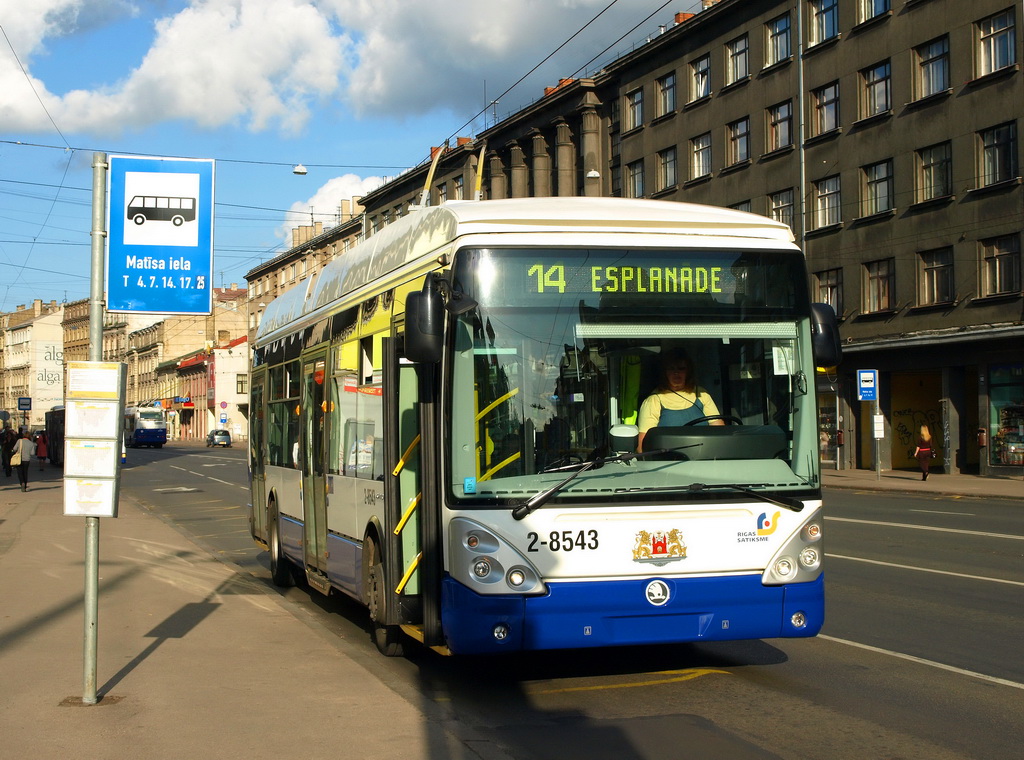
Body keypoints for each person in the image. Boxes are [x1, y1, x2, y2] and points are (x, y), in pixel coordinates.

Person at [637, 349, 724, 451]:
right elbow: (643, 445)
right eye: (671, 369)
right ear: (664, 373)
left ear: (688, 371)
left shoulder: (701, 394)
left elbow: (719, 431)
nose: (676, 373)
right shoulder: (654, 400)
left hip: (703, 458)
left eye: (681, 368)